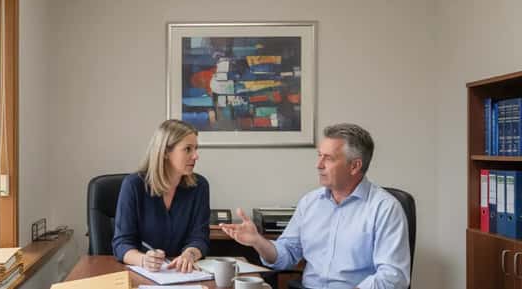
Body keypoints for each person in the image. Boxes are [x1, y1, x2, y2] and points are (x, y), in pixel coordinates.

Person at [221, 123, 410, 289]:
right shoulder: (310, 202)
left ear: (354, 166)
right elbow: (286, 255)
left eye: (328, 158)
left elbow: (394, 277)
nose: (318, 165)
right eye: (319, 156)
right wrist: (257, 241)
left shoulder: (385, 208)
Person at [112, 119, 210, 273]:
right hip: (142, 274)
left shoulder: (199, 186)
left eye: (196, 149)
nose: (195, 156)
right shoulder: (133, 186)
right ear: (165, 152)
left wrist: (189, 254)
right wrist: (144, 260)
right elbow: (121, 244)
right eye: (188, 149)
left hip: (182, 274)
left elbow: (200, 237)